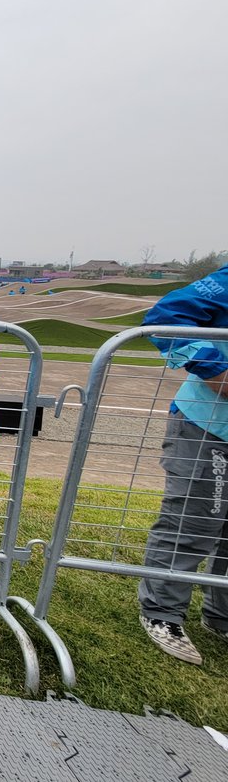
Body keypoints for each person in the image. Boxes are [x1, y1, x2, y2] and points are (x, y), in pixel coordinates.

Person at [137, 264, 228, 666]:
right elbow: (165, 317)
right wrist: (216, 370)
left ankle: (221, 617)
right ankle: (162, 613)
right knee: (194, 521)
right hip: (209, 423)